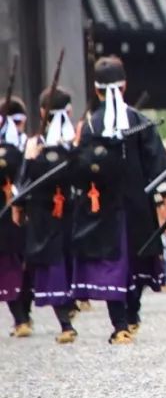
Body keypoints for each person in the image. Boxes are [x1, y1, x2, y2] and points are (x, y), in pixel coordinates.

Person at [69, 56, 166, 343]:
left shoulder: (87, 125)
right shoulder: (139, 121)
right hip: (138, 203)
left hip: (101, 206)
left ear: (97, 90)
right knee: (135, 260)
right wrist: (163, 195)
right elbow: (157, 163)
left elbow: (78, 168)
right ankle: (131, 314)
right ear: (124, 86)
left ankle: (121, 323)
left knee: (114, 262)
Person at [20, 87, 79, 342]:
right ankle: (66, 318)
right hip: (58, 211)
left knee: (57, 264)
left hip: (56, 213)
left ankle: (66, 321)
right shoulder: (74, 140)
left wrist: (32, 160)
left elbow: (25, 178)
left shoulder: (47, 143)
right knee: (58, 263)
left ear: (43, 112)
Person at [0, 96, 32, 337]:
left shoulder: (28, 146)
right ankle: (21, 317)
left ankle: (22, 317)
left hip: (21, 207)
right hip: (10, 209)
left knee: (19, 263)